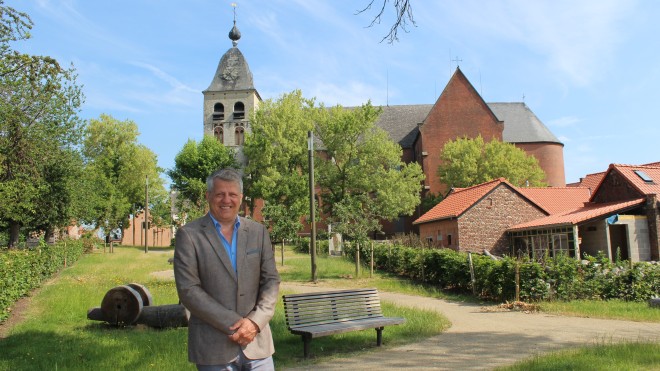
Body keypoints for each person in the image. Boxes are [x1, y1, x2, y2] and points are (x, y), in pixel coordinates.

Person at [173, 168, 280, 370]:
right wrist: (238, 324)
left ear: (240, 197)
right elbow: (188, 290)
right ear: (208, 196)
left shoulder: (258, 232)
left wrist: (255, 323)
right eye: (220, 194)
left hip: (257, 343)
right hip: (213, 348)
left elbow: (271, 281)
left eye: (232, 194)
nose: (226, 200)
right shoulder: (189, 235)